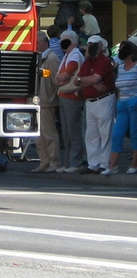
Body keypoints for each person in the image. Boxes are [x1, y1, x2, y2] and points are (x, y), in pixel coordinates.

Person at [73, 35, 116, 174]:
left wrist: (85, 80)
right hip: (90, 101)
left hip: (103, 100)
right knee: (91, 134)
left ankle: (105, 164)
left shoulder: (103, 61)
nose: (91, 47)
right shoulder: (87, 61)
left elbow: (94, 78)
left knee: (105, 133)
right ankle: (93, 163)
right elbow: (76, 80)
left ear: (101, 47)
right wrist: (89, 81)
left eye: (94, 45)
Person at [102, 40, 137, 175]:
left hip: (134, 102)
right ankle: (112, 166)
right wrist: (118, 102)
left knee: (135, 134)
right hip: (122, 103)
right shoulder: (121, 68)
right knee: (117, 135)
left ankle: (134, 165)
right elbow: (119, 87)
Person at [54, 30, 86, 174]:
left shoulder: (75, 56)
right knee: (66, 132)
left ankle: (76, 162)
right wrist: (61, 78)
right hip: (64, 95)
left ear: (73, 42)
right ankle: (68, 162)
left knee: (73, 131)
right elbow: (58, 77)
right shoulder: (67, 56)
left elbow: (64, 75)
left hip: (72, 96)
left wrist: (61, 78)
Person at [31, 30, 63, 173]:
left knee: (49, 134)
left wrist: (55, 98)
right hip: (36, 101)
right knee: (38, 136)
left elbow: (56, 81)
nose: (35, 45)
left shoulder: (52, 58)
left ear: (45, 43)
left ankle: (54, 161)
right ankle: (44, 161)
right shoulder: (37, 58)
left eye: (37, 42)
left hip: (47, 101)